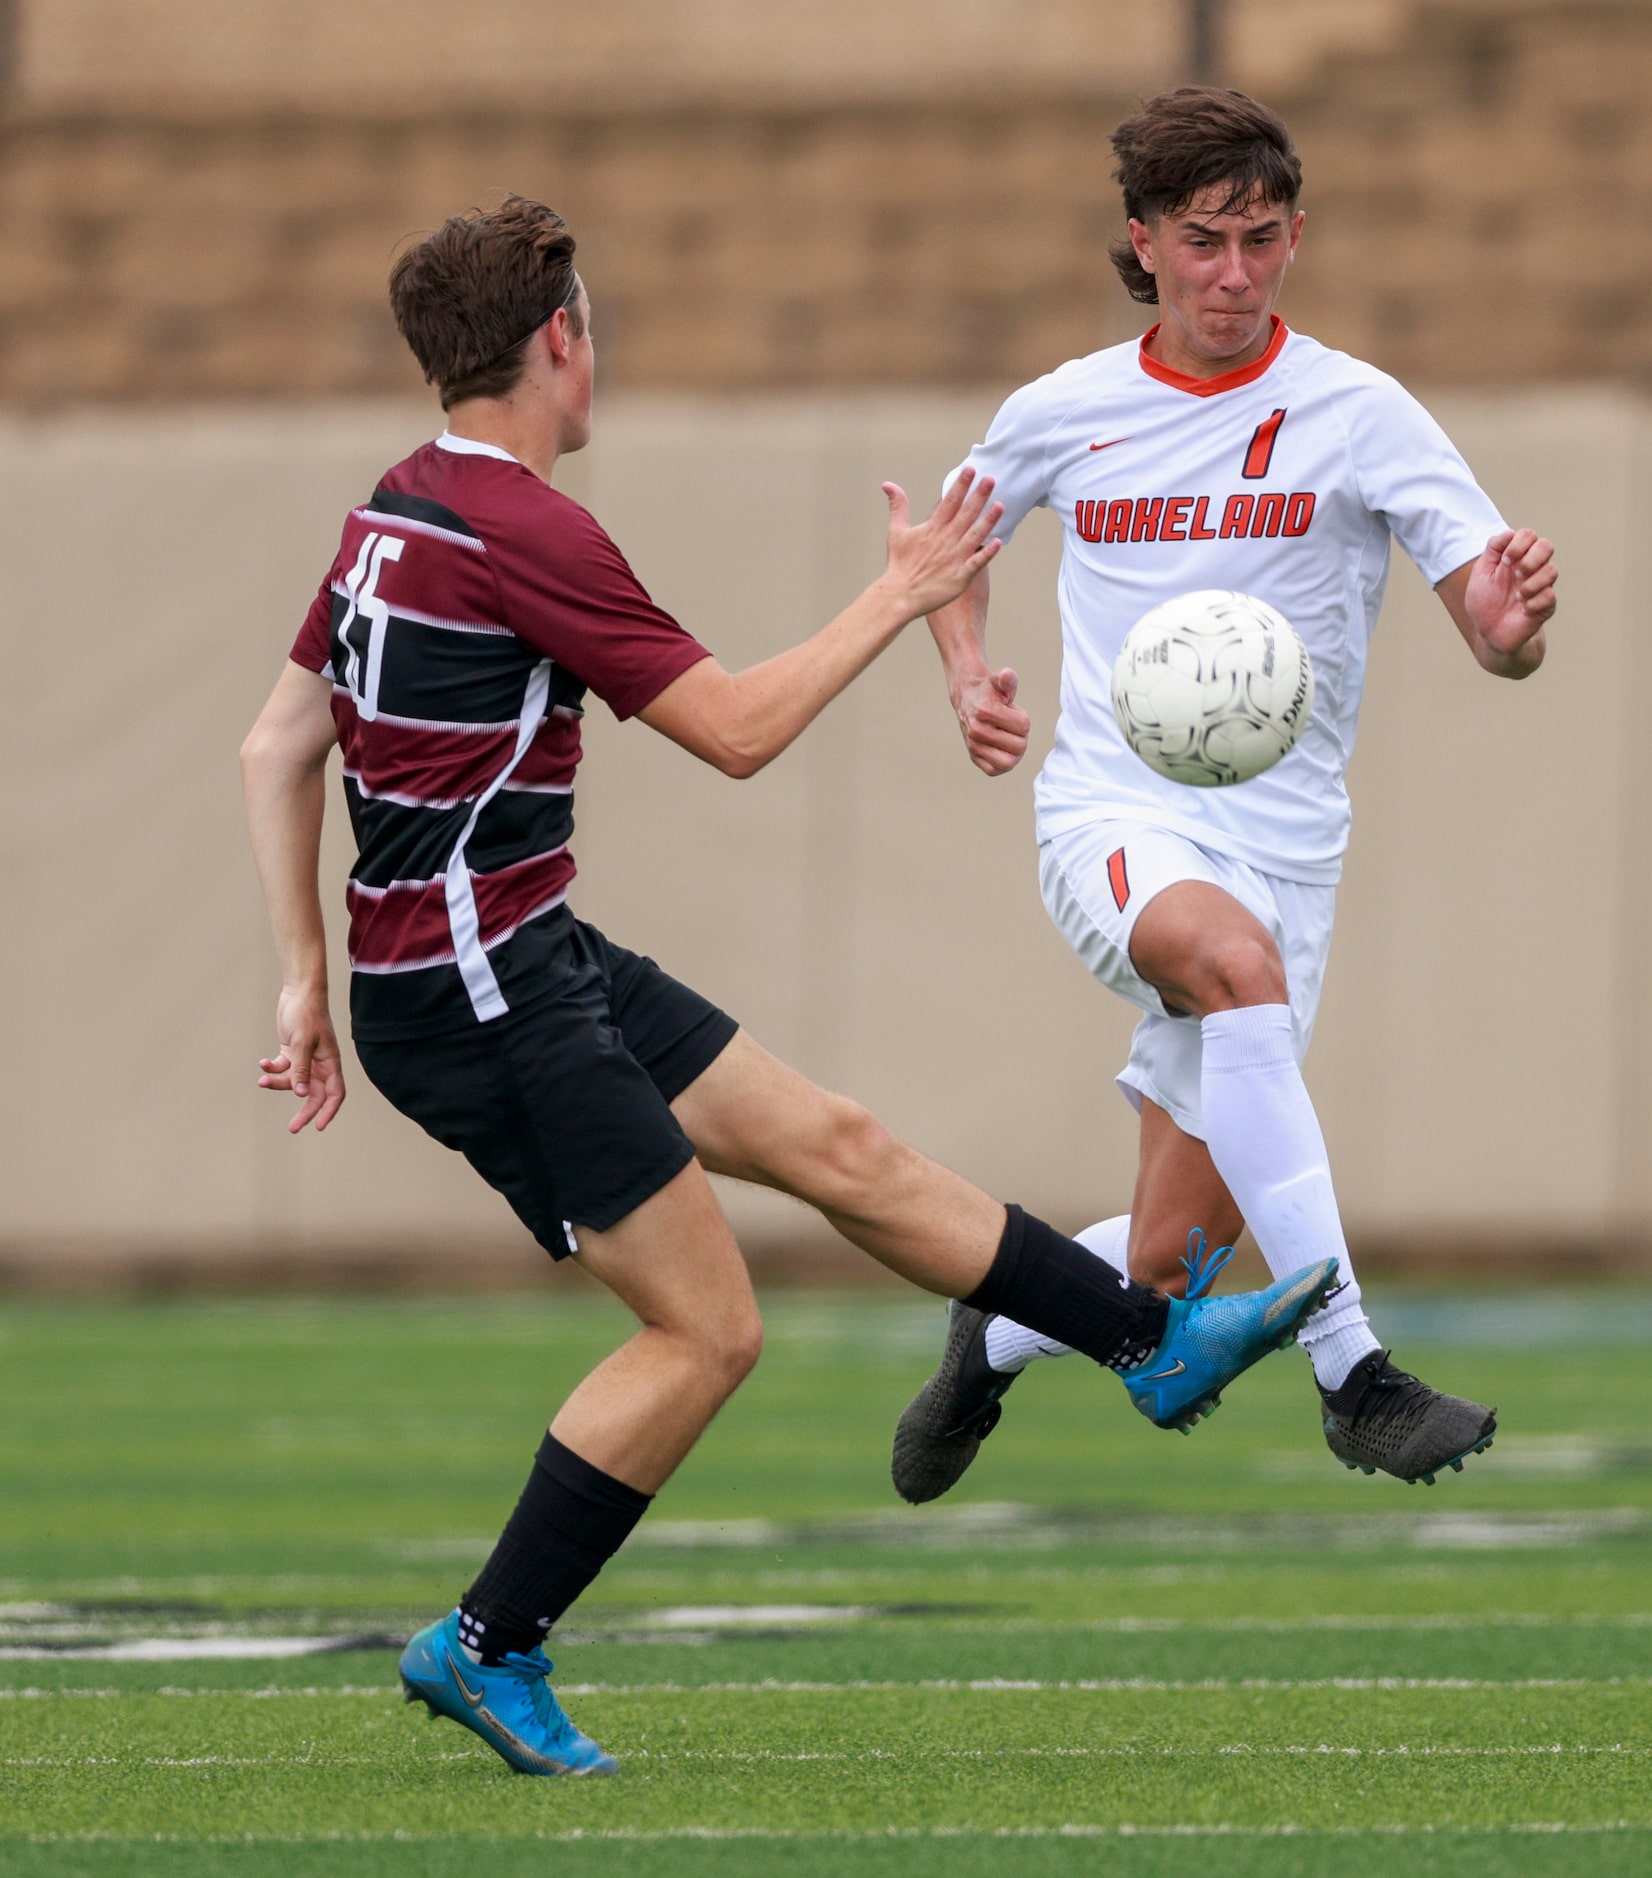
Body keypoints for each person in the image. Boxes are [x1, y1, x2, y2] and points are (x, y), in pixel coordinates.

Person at [239, 197, 1341, 1779]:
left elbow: (278, 741)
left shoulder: (393, 511)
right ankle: (486, 1642)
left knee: (841, 1144)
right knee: (706, 1332)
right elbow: (738, 729)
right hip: (486, 991)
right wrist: (902, 597)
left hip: (509, 952)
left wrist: (301, 979)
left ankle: (1141, 1343)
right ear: (560, 338)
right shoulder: (527, 531)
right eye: (593, 325)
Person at [893, 88, 1558, 1504]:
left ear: (1294, 235)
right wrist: (966, 674)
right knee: (1230, 967)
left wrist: (1509, 626)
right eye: (1202, 242)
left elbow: (1493, 631)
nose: (1233, 275)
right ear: (1140, 241)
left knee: (1163, 1264)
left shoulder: (1359, 412)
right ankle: (1354, 1370)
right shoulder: (1064, 409)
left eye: (1261, 240)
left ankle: (992, 1337)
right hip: (1112, 819)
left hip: (1286, 847)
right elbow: (944, 545)